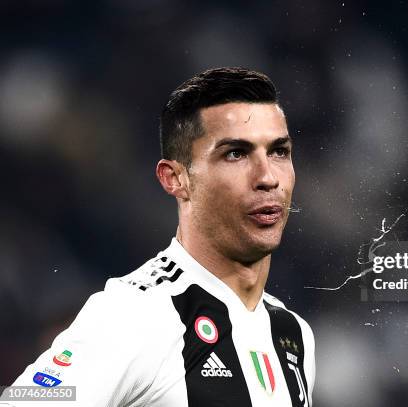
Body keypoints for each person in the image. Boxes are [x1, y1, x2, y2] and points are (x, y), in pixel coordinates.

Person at [7, 67, 315, 406]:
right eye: (235, 154)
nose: (268, 177)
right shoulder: (135, 314)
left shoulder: (292, 332)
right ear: (175, 179)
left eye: (279, 152)